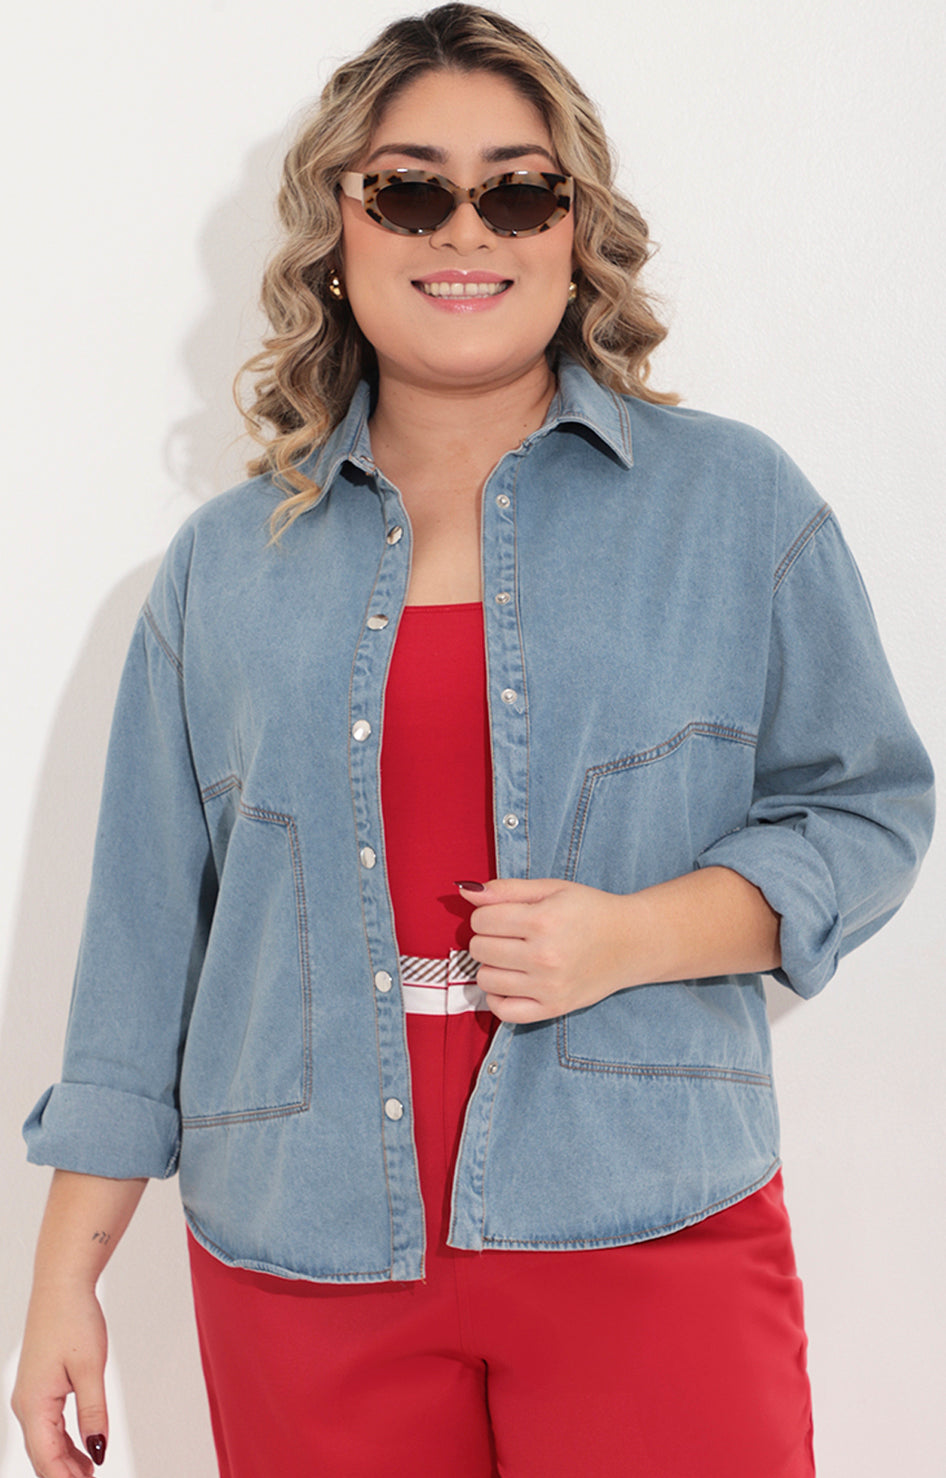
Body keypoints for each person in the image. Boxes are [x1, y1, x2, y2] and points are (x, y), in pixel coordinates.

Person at [12, 5, 933, 1477]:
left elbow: (867, 808)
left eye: (517, 191)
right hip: (303, 1256)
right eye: (408, 189)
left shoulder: (731, 504)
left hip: (651, 1227)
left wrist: (631, 935)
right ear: (338, 226)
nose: (465, 230)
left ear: (574, 232)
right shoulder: (221, 569)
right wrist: (65, 1276)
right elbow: (139, 940)